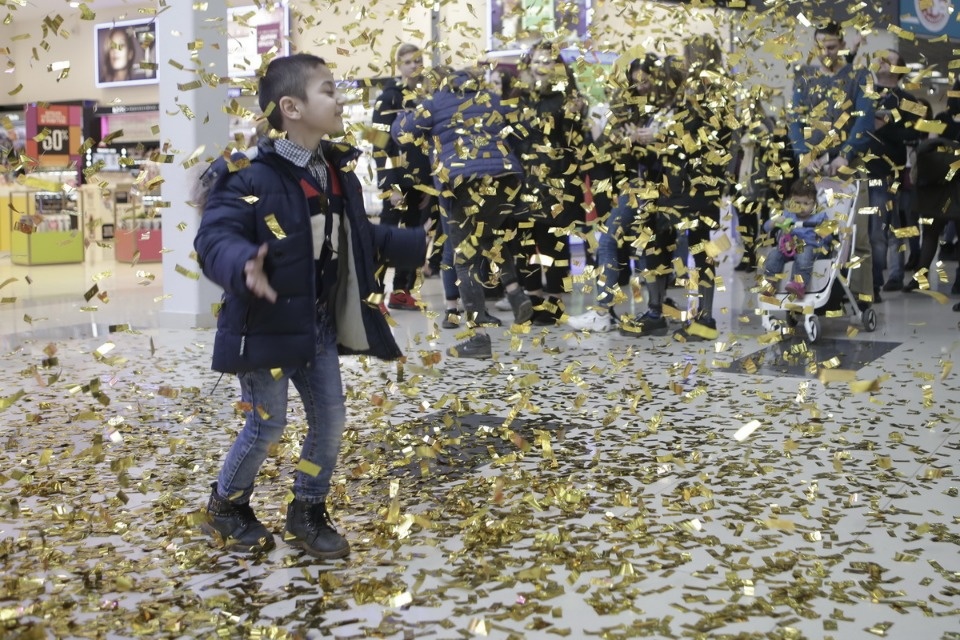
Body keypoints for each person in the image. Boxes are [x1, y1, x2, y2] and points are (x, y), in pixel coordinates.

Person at [193, 54, 427, 558]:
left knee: (332, 419)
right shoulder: (248, 175)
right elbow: (215, 237)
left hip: (316, 324)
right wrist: (242, 264)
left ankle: (307, 507)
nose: (339, 99)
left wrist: (418, 244)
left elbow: (358, 235)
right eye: (328, 90)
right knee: (267, 424)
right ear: (291, 107)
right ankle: (226, 504)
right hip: (264, 324)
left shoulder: (337, 173)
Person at [396, 65, 534, 359]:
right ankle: (515, 292)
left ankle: (478, 338)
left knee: (464, 259)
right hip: (504, 178)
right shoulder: (489, 98)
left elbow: (402, 134)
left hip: (462, 181)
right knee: (491, 239)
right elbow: (518, 130)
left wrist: (403, 115)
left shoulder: (435, 102)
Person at [620, 36, 736, 341]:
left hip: (698, 184)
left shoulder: (714, 93)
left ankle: (706, 319)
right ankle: (655, 313)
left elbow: (702, 139)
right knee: (654, 241)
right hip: (665, 186)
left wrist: (656, 138)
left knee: (700, 247)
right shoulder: (673, 99)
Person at [370, 43, 433, 311]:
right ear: (399, 65)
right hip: (395, 183)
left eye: (417, 61)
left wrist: (429, 186)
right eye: (407, 62)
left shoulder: (427, 98)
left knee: (415, 239)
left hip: (420, 183)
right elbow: (377, 141)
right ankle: (373, 296)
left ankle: (401, 291)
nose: (413, 66)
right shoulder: (388, 98)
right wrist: (391, 185)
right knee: (386, 239)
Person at [760, 178, 831, 298]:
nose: (801, 207)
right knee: (774, 255)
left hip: (809, 246)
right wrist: (775, 221)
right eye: (797, 203)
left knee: (803, 256)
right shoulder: (789, 213)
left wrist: (822, 235)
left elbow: (828, 238)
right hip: (789, 246)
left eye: (806, 203)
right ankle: (769, 282)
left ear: (814, 203)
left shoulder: (820, 216)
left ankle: (798, 284)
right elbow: (766, 228)